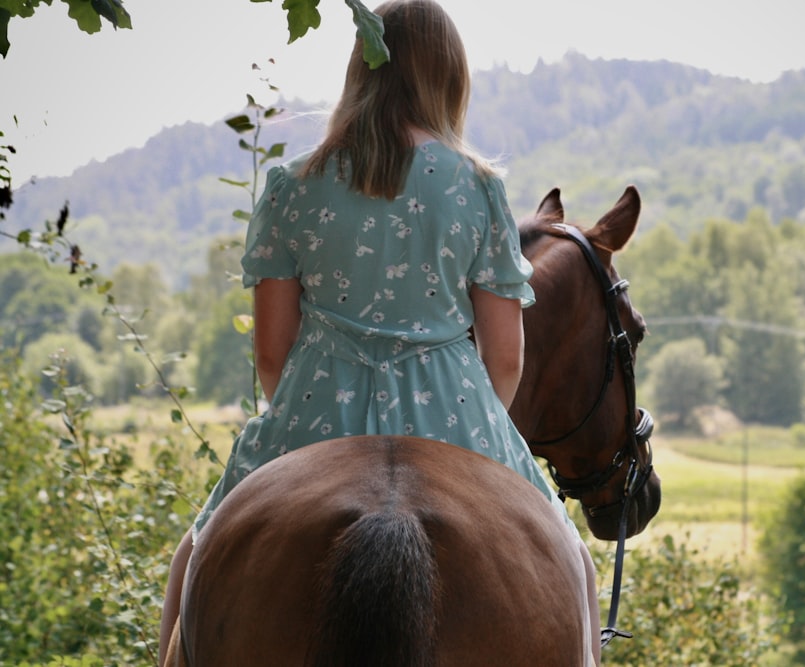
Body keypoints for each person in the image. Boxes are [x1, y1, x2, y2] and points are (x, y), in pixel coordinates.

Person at [158, 1, 599, 664]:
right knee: (578, 574)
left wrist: (306, 403)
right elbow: (505, 359)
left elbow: (272, 355)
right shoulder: (478, 187)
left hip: (315, 406)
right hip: (453, 413)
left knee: (193, 561)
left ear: (358, 72)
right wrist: (475, 426)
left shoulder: (290, 184)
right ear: (448, 79)